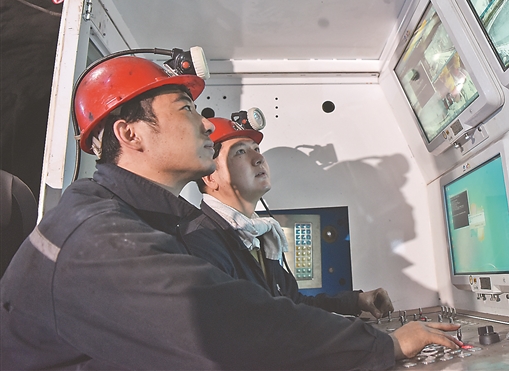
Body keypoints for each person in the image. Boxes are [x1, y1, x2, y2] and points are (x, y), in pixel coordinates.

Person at [0, 53, 459, 370]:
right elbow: (230, 325)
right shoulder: (95, 235)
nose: (205, 122)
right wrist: (384, 345)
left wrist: (354, 308)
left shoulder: (148, 221)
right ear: (130, 134)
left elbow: (270, 310)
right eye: (186, 108)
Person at [181, 116, 393, 319]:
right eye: (240, 152)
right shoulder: (202, 243)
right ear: (210, 177)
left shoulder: (259, 234)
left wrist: (355, 301)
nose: (258, 158)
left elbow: (292, 305)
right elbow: (245, 327)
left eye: (256, 149)